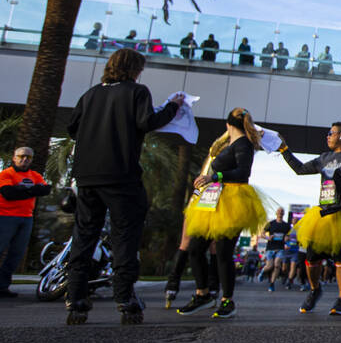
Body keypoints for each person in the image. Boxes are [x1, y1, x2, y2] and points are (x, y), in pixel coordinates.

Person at [65, 49, 183, 324]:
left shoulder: (91, 94)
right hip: (120, 174)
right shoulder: (137, 92)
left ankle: (76, 297)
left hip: (87, 176)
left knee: (84, 235)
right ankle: (124, 297)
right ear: (134, 69)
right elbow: (148, 121)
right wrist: (173, 106)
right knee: (125, 236)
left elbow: (73, 128)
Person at [175, 108, 269, 318]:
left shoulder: (243, 144)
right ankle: (203, 293)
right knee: (196, 248)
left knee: (224, 253)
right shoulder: (230, 145)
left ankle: (227, 300)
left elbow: (243, 173)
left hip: (232, 202)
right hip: (214, 201)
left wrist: (214, 176)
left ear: (227, 125)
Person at [281, 121, 341, 316]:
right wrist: (284, 150)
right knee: (312, 257)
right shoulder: (324, 158)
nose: (327, 136)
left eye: (331, 133)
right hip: (323, 214)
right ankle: (315, 289)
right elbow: (299, 169)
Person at [0, 147, 52, 298]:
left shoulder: (34, 175)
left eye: (28, 157)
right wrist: (32, 190)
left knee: (16, 254)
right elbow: (8, 194)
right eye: (21, 156)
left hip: (26, 218)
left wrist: (22, 190)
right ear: (14, 158)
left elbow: (46, 190)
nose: (24, 160)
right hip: (5, 216)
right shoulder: (6, 174)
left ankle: (2, 286)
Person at [260, 207, 291, 292]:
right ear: (276, 213)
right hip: (270, 248)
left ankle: (272, 284)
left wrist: (287, 239)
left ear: (284, 214)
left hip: (280, 248)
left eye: (282, 211)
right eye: (279, 211)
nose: (280, 213)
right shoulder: (270, 223)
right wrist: (267, 237)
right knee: (270, 266)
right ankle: (263, 271)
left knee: (277, 265)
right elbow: (262, 234)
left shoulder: (286, 225)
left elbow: (289, 236)